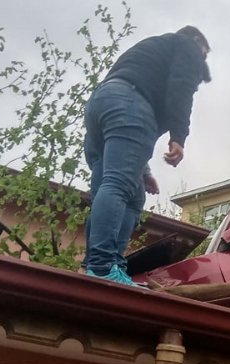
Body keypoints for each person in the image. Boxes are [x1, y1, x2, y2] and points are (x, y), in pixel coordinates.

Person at [83, 26, 211, 285]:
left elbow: (125, 115)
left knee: (125, 192)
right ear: (197, 43)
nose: (202, 64)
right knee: (119, 186)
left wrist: (144, 171)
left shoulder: (151, 50)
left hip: (100, 105)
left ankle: (96, 264)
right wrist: (178, 135)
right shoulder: (186, 45)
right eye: (204, 56)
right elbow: (181, 87)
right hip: (128, 104)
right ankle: (103, 266)